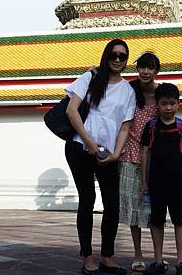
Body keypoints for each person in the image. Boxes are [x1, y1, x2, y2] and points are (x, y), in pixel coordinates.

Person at [65, 38, 136, 275]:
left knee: (112, 204)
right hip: (80, 147)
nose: (117, 59)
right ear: (106, 56)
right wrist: (88, 142)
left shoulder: (128, 90)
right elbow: (71, 110)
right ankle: (87, 257)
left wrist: (115, 154)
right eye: (113, 55)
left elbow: (125, 126)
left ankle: (107, 256)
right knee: (87, 199)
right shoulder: (90, 78)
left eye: (122, 56)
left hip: (107, 153)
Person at [118, 53, 182, 273]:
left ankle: (164, 258)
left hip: (158, 160)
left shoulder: (163, 93)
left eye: (150, 68)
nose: (145, 72)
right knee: (134, 207)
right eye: (141, 67)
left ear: (156, 71)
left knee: (155, 213)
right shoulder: (128, 90)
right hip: (131, 153)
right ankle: (139, 254)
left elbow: (173, 122)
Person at [140, 83, 182, 275]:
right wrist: (144, 182)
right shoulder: (151, 127)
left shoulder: (181, 128)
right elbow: (145, 154)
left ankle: (181, 261)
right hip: (155, 183)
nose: (168, 108)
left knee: (180, 221)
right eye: (164, 103)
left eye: (172, 103)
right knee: (157, 221)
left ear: (178, 104)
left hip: (177, 183)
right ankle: (157, 260)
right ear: (157, 105)